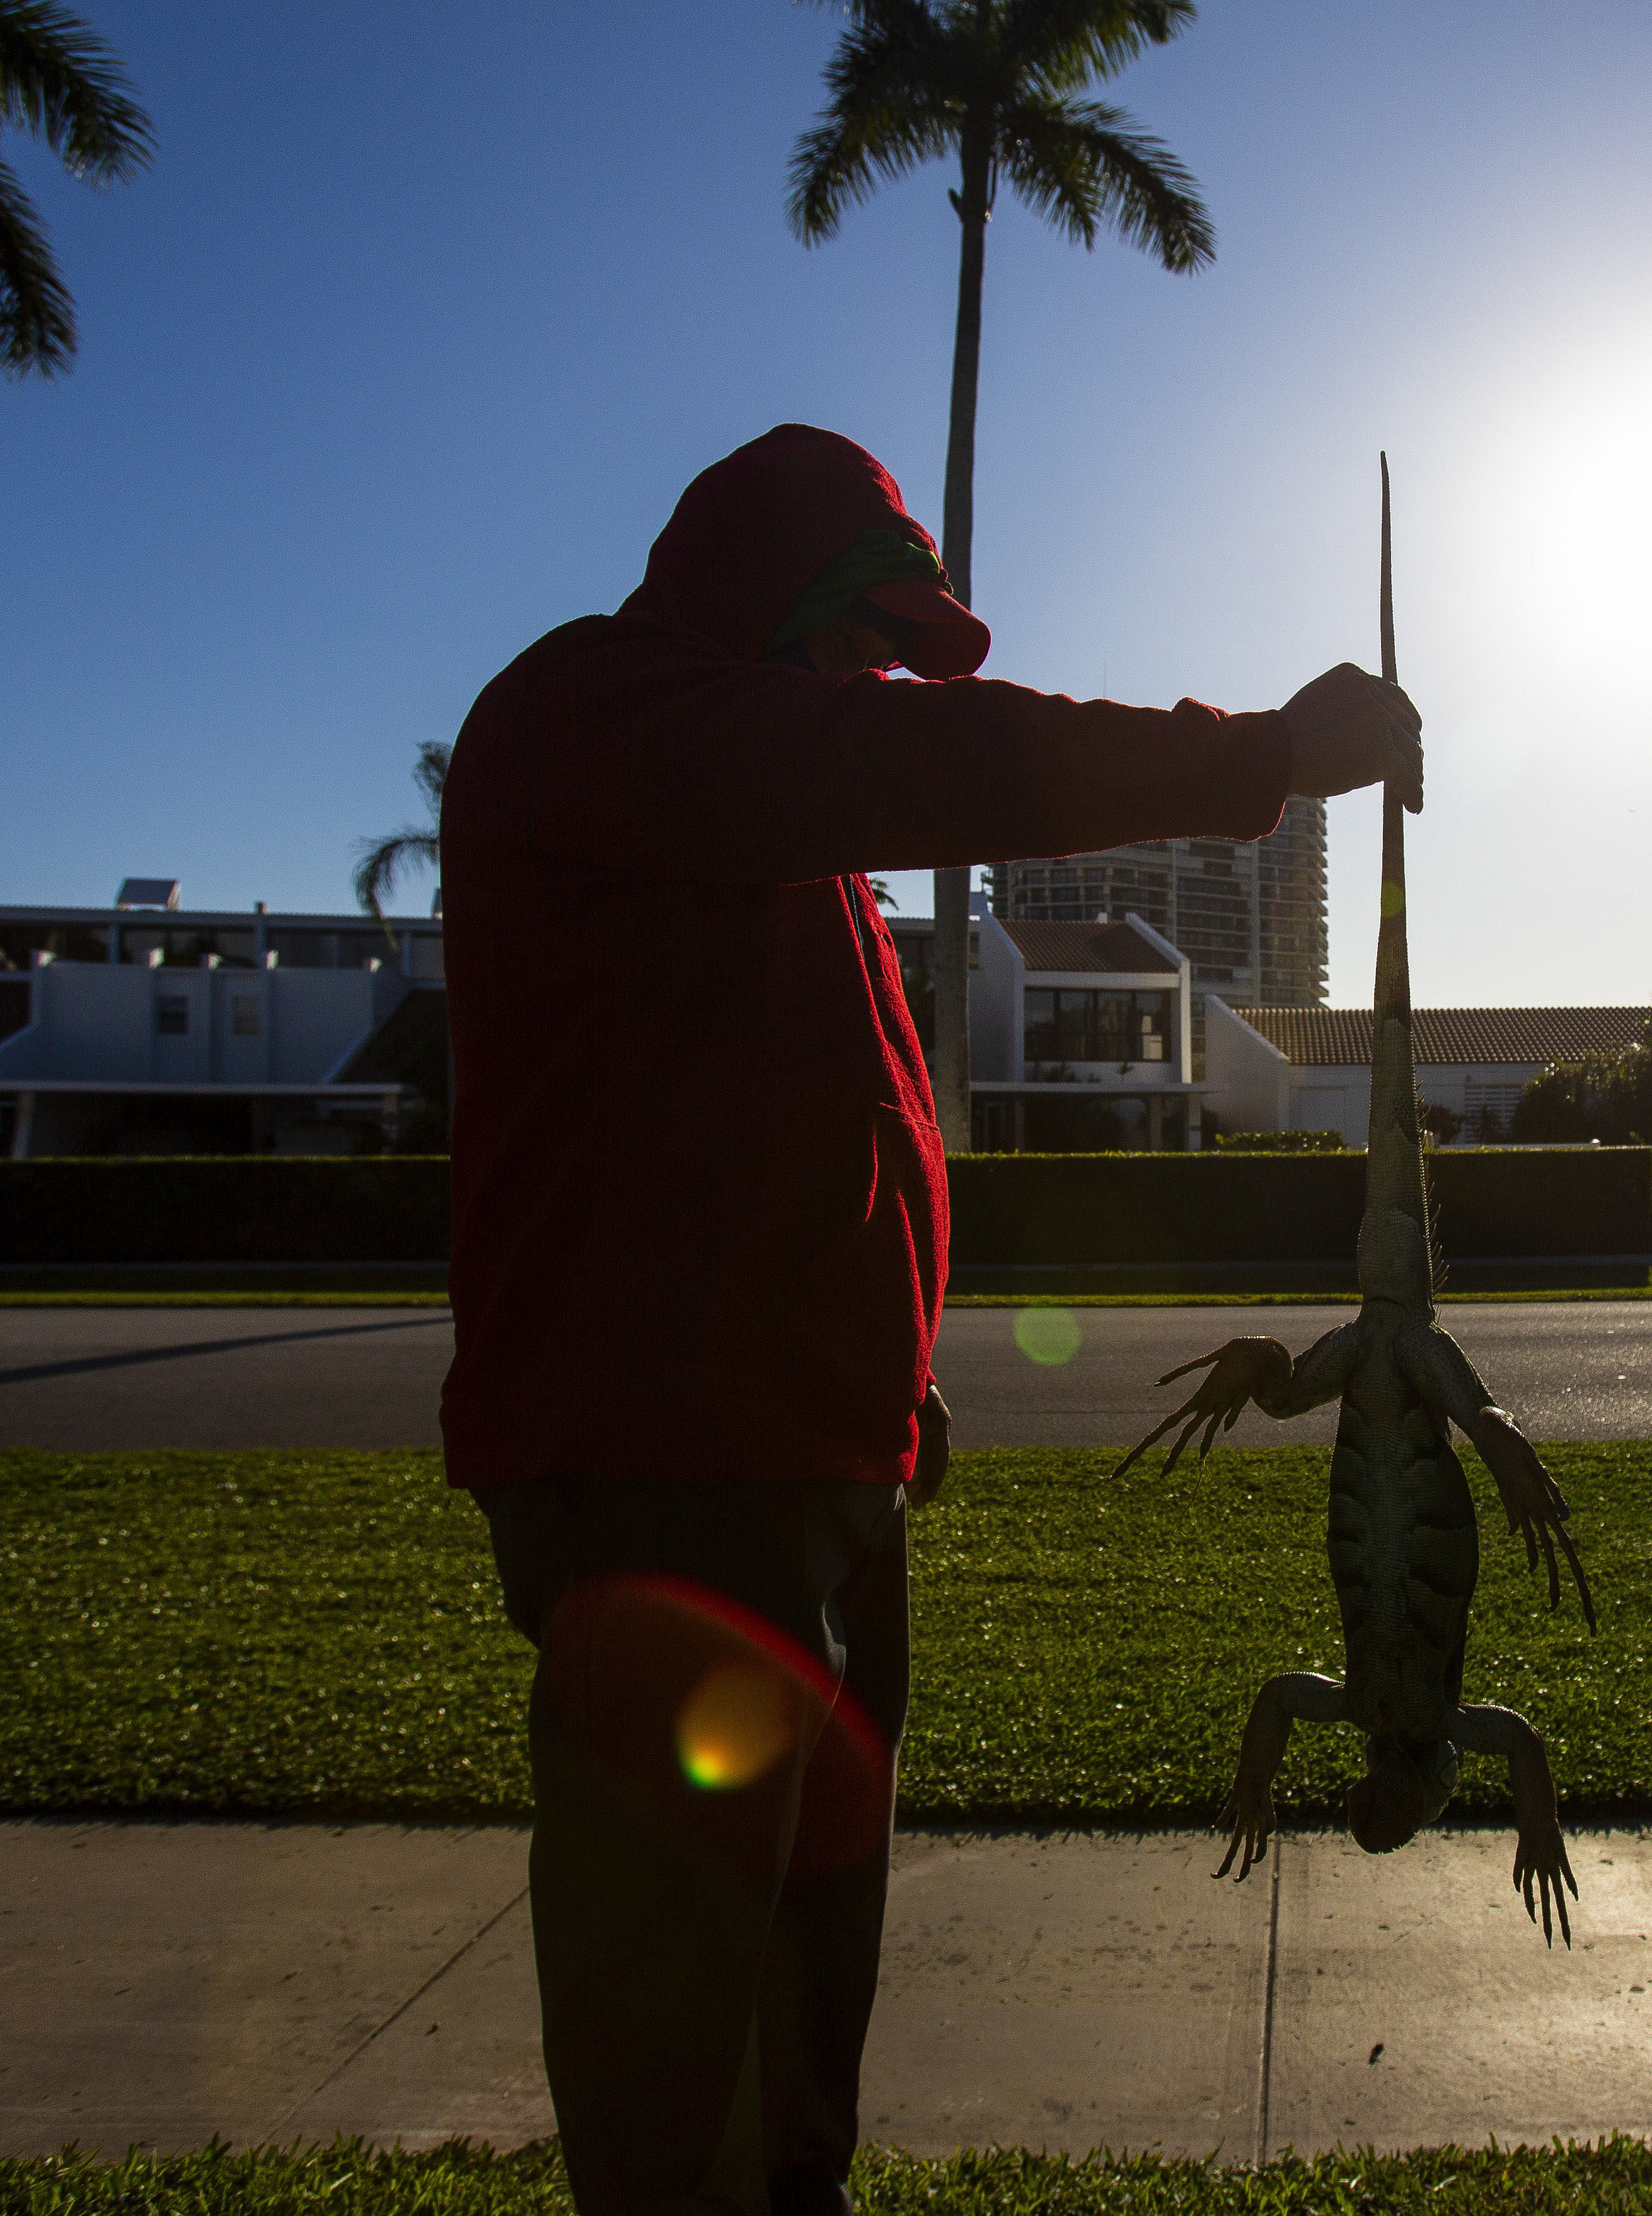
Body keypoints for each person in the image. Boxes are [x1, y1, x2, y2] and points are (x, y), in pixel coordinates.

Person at [439, 422, 1419, 2216]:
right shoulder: (600, 713)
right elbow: (913, 761)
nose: (874, 676)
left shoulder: (774, 844)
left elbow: (822, 1119)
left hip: (809, 1464)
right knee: (680, 2032)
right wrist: (1262, 757)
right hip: (669, 1474)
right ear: (769, 596)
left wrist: (889, 1375)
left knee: (810, 1972)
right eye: (858, 635)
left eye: (895, 648)